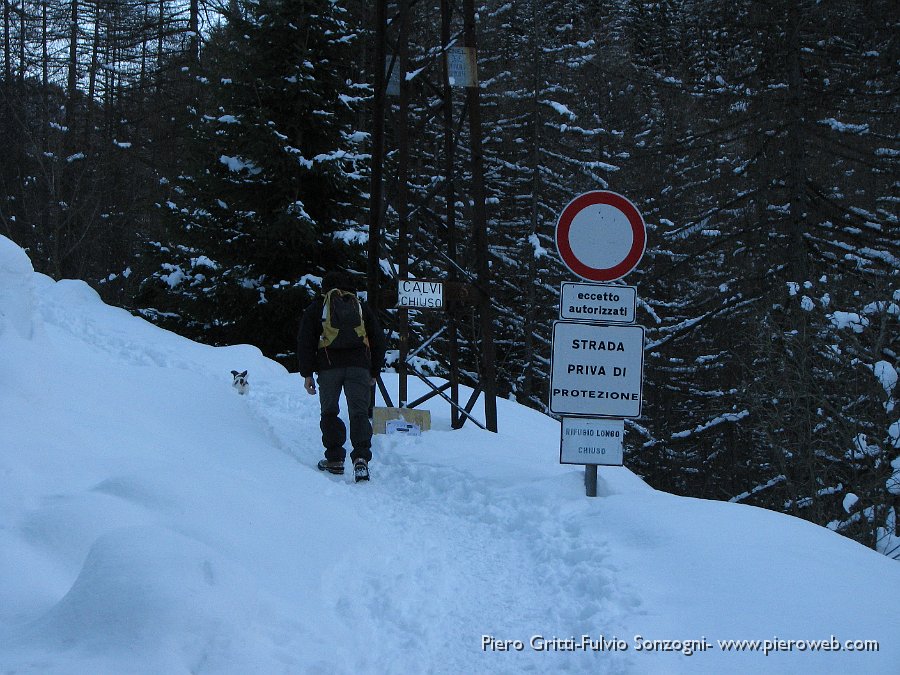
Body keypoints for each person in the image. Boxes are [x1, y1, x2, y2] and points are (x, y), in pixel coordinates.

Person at [297, 270, 386, 481]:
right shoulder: (361, 307)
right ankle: (361, 460)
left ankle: (335, 460)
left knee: (329, 412)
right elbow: (378, 339)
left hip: (329, 367)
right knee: (359, 413)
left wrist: (307, 373)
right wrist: (374, 370)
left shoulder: (318, 307)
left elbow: (305, 340)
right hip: (359, 367)